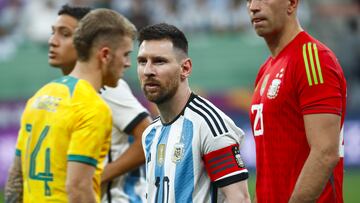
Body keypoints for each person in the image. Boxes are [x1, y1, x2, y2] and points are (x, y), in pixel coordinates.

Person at [5, 8, 137, 203]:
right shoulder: (92, 107)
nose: (128, 64)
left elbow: (16, 180)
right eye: (125, 54)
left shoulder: (39, 97)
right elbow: (78, 188)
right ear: (106, 55)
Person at [47, 5, 152, 202]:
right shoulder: (69, 90)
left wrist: (96, 177)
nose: (53, 41)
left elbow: (149, 136)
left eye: (65, 34)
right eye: (52, 32)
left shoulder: (109, 87)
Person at [136, 23, 251, 203]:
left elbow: (239, 199)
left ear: (185, 68)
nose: (148, 71)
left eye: (159, 61)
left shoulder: (209, 125)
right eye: (142, 61)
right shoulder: (151, 132)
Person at [246, 0, 347, 202]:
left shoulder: (313, 58)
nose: (253, 6)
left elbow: (325, 153)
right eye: (249, 0)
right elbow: (267, 172)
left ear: (292, 3)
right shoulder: (265, 71)